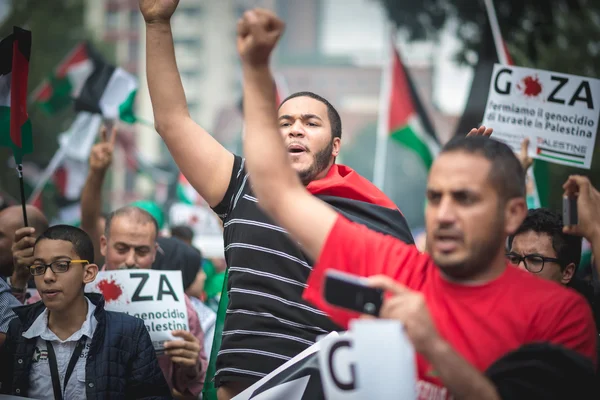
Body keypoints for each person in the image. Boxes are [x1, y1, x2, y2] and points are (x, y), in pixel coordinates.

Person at [237, 9, 597, 399]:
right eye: (434, 196)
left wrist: (434, 347)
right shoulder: (396, 271)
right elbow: (275, 190)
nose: (443, 214)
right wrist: (257, 69)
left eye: (464, 198)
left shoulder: (561, 314)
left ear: (512, 212)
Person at [139, 1, 414, 398]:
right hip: (244, 387)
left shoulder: (369, 214)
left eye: (310, 123)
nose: (295, 130)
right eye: (283, 123)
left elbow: (416, 302)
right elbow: (172, 121)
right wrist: (158, 23)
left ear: (335, 146)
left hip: (324, 386)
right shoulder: (240, 184)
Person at [0, 225, 171, 399]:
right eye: (38, 267)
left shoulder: (128, 332)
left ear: (88, 273)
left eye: (61, 265)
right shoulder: (19, 329)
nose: (48, 276)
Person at [101, 205, 208, 398]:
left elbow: (191, 384)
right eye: (121, 249)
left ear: (154, 252)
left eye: (141, 251)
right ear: (103, 245)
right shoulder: (80, 293)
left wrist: (193, 364)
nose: (131, 260)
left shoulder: (178, 305)